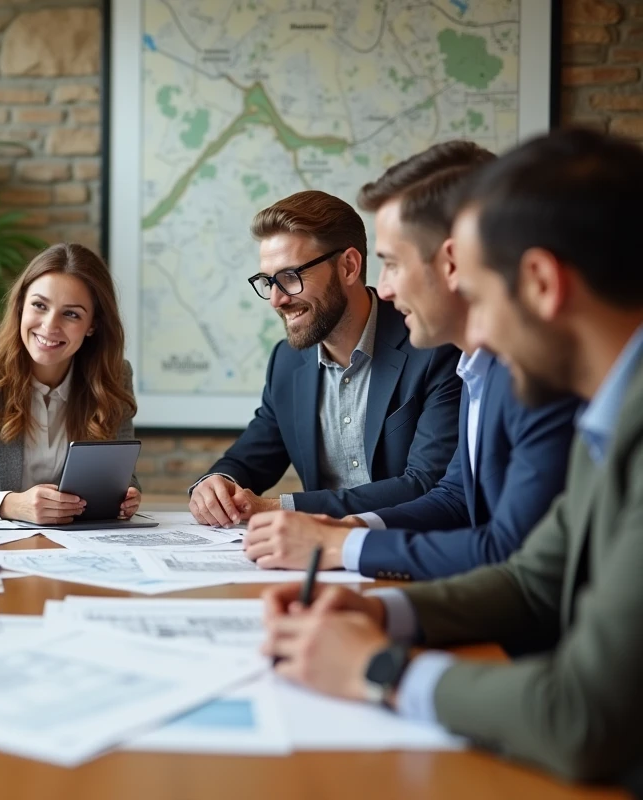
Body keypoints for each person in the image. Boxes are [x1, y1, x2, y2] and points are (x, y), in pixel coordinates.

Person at [262, 128, 643, 785]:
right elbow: (531, 577)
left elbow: (582, 719)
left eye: (483, 294)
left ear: (542, 285)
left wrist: (376, 669)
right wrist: (378, 614)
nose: (479, 334)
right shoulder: (608, 414)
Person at [244, 142, 578, 580]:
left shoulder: (530, 380)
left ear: (455, 262)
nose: (381, 289)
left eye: (393, 264)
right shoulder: (484, 370)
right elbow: (454, 497)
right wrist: (342, 535)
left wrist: (342, 545)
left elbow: (510, 553)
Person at [189, 190, 462, 526]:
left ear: (348, 266)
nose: (276, 300)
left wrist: (278, 507)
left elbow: (427, 486)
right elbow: (248, 460)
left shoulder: (432, 347)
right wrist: (217, 485)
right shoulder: (287, 362)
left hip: (409, 552)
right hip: (315, 559)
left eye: (290, 277)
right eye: (267, 281)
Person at [0, 243, 141, 524]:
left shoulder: (114, 377)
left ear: (93, 325)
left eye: (71, 314)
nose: (49, 326)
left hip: (79, 546)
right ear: (20, 306)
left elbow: (123, 480)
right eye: (39, 306)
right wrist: (9, 504)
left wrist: (126, 497)